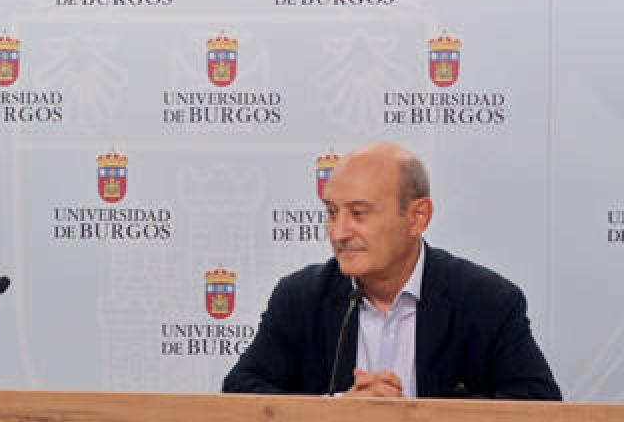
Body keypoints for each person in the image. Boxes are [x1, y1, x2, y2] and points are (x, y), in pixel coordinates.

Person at [222, 142, 559, 399]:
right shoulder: (301, 297)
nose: (339, 232)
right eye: (332, 212)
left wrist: (412, 420)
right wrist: (336, 409)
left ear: (417, 217)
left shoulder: (486, 301)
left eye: (358, 213)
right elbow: (240, 394)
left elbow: (538, 405)